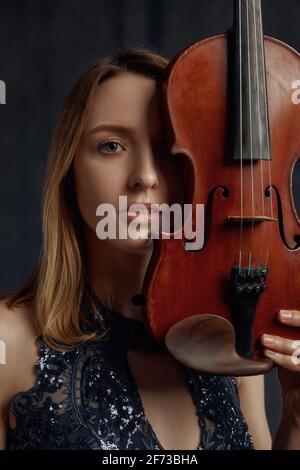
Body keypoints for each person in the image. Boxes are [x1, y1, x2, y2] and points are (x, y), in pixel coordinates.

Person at [0, 47, 299, 451]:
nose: (145, 176)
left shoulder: (230, 334)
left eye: (166, 149)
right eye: (111, 146)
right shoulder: (8, 340)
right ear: (69, 172)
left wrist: (296, 418)